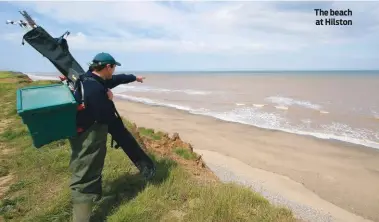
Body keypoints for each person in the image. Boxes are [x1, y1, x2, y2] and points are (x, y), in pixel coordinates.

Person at [68, 52, 145, 222]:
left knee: (89, 169)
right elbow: (104, 115)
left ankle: (91, 201)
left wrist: (135, 78)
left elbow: (116, 80)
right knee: (85, 175)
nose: (114, 70)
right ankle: (81, 217)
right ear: (107, 67)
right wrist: (109, 98)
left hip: (83, 133)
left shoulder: (90, 78)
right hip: (89, 136)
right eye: (114, 67)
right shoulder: (94, 89)